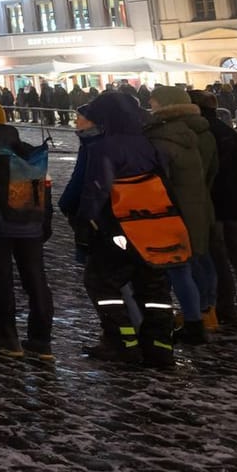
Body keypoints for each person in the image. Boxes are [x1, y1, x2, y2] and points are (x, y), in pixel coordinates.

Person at [60, 93, 176, 367]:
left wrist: (84, 223)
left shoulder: (105, 146)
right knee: (154, 289)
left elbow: (96, 189)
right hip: (154, 225)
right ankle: (160, 346)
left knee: (101, 284)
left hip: (118, 226)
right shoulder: (148, 143)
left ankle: (123, 342)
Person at [0, 98, 53, 361]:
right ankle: (41, 340)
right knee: (36, 280)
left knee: (0, 280)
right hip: (30, 224)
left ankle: (8, 337)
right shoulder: (24, 147)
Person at [143, 84, 216, 341]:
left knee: (177, 270)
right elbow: (209, 172)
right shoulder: (193, 134)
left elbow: (159, 181)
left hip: (172, 212)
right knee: (192, 265)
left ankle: (188, 320)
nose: (149, 106)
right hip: (196, 207)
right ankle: (201, 316)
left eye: (153, 103)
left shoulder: (162, 139)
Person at [196, 90, 237, 327]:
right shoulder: (229, 133)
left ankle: (226, 306)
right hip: (235, 199)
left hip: (215, 202)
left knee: (218, 255)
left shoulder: (204, 134)